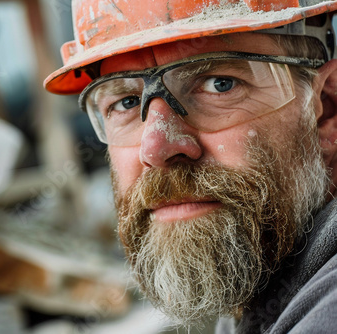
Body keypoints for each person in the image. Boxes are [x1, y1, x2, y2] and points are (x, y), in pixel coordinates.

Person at [44, 0, 337, 332]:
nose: (155, 148)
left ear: (325, 109)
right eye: (125, 102)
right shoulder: (266, 285)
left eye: (219, 84)